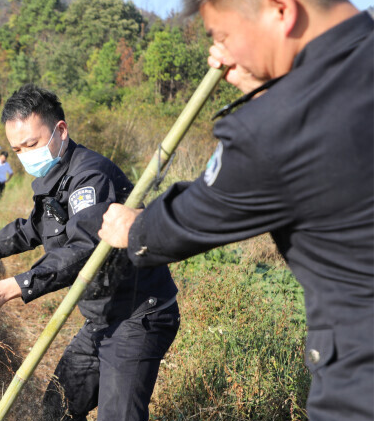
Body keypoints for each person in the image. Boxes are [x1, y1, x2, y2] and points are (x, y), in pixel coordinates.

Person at [99, 1, 374, 420]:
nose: (221, 56)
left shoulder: (278, 125)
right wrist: (268, 82)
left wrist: (134, 229)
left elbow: (197, 214)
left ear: (280, 10)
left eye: (222, 37)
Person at [0, 84, 180, 421]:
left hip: (138, 315)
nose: (25, 155)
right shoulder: (56, 177)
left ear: (61, 131)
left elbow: (83, 250)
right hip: (101, 318)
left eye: (32, 144)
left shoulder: (89, 177)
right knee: (57, 408)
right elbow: (33, 227)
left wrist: (10, 288)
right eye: (17, 148)